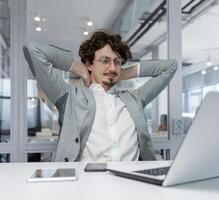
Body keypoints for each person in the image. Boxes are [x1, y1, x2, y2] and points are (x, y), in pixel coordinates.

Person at [23, 30, 177, 162]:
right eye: (105, 61)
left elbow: (170, 67)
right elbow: (33, 49)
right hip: (89, 185)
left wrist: (122, 73)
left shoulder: (134, 98)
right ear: (90, 63)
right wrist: (80, 69)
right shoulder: (70, 98)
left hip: (133, 183)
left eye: (117, 62)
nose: (112, 67)